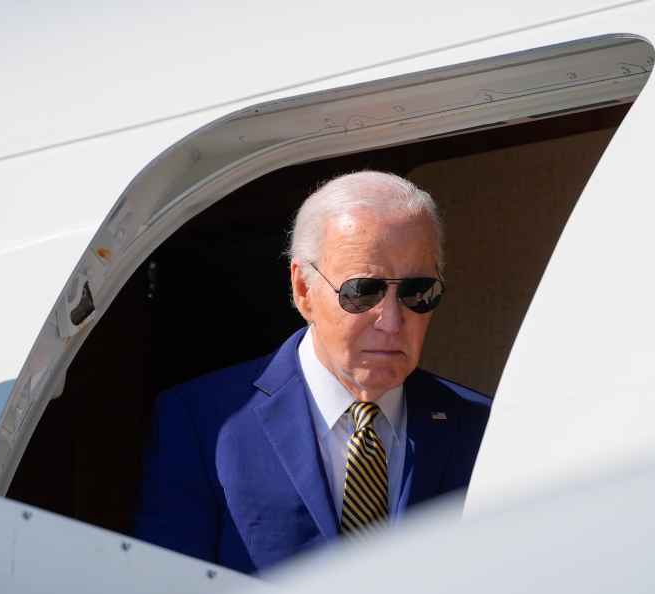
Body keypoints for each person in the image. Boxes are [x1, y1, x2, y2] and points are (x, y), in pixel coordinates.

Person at [134, 171, 492, 574]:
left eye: (416, 292)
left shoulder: (480, 427)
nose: (392, 321)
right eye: (363, 291)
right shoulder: (206, 424)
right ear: (303, 288)